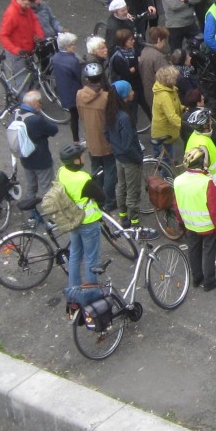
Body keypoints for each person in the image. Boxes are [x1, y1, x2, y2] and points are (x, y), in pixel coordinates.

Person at [58, 143, 106, 309]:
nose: (83, 158)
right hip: (88, 222)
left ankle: (73, 290)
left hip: (72, 219)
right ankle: (91, 295)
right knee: (92, 258)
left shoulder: (62, 172)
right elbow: (101, 195)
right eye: (81, 156)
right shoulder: (83, 179)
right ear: (75, 161)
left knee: (75, 255)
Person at [173, 145, 216, 291]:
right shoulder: (206, 183)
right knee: (209, 251)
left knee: (193, 249)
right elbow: (215, 210)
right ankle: (209, 280)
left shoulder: (178, 180)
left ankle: (197, 278)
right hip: (207, 226)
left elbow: (176, 205)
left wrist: (181, 223)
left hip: (190, 224)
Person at [75, 62, 117, 212]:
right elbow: (113, 118)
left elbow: (80, 115)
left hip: (91, 140)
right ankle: (110, 201)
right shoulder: (107, 96)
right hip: (106, 141)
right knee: (110, 171)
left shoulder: (80, 95)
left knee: (96, 170)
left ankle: (98, 199)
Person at [104, 81, 142, 228]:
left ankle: (123, 216)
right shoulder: (125, 118)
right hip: (130, 159)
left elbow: (106, 134)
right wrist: (138, 158)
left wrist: (116, 147)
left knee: (121, 187)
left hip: (119, 157)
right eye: (131, 90)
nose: (133, 92)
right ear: (125, 95)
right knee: (133, 190)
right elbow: (128, 144)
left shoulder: (111, 112)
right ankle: (135, 222)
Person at [17, 90, 58, 199]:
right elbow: (53, 130)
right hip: (41, 160)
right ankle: (52, 214)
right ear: (34, 103)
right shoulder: (35, 119)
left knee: (31, 187)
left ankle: (31, 212)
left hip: (25, 159)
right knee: (47, 189)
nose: (41, 105)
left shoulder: (17, 114)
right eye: (40, 102)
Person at [0, 0, 43, 83]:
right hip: (17, 53)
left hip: (27, 50)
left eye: (29, 4)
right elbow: (3, 35)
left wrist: (39, 35)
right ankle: (21, 97)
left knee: (30, 77)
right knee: (23, 83)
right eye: (26, 4)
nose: (28, 7)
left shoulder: (25, 9)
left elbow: (34, 20)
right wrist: (16, 50)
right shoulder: (12, 14)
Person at [109, 29, 151, 128]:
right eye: (130, 40)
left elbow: (134, 66)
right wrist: (136, 66)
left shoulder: (133, 49)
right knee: (133, 113)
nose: (133, 41)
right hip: (129, 89)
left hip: (139, 85)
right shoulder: (118, 57)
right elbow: (126, 74)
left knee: (149, 108)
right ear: (123, 42)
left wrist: (134, 68)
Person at [50, 32, 83, 143]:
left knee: (74, 117)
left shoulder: (56, 57)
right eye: (73, 44)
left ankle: (76, 140)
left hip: (65, 92)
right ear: (68, 46)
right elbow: (80, 77)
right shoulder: (73, 61)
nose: (75, 46)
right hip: (76, 93)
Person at [151, 65, 183, 163]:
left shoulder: (168, 89)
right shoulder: (164, 95)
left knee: (164, 155)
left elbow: (175, 105)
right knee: (166, 158)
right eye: (174, 78)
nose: (176, 79)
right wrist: (184, 125)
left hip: (162, 129)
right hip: (164, 131)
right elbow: (171, 116)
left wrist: (184, 108)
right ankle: (166, 176)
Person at [184, 107, 216, 184]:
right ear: (205, 126)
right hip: (211, 184)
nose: (211, 121)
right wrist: (215, 185)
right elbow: (202, 170)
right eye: (209, 120)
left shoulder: (195, 135)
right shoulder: (203, 145)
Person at [138, 26, 170, 114]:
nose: (164, 44)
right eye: (164, 41)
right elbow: (167, 78)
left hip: (149, 93)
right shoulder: (158, 57)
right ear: (159, 40)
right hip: (160, 95)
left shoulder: (145, 51)